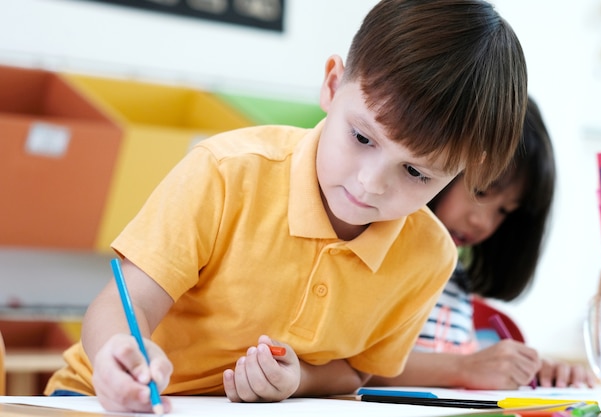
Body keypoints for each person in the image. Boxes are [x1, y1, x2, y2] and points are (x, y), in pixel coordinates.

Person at [45, 0, 528, 413]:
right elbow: (123, 303)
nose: (370, 183)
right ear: (333, 85)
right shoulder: (227, 172)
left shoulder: (429, 256)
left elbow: (359, 370)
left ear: (464, 170)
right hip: (96, 399)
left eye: (417, 173)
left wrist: (300, 381)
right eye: (362, 137)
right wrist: (117, 351)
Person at [368, 97, 598, 390]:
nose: (484, 223)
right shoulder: (374, 253)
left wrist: (529, 370)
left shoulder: (455, 278)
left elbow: (449, 360)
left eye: (504, 211)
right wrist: (463, 368)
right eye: (481, 191)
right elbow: (355, 368)